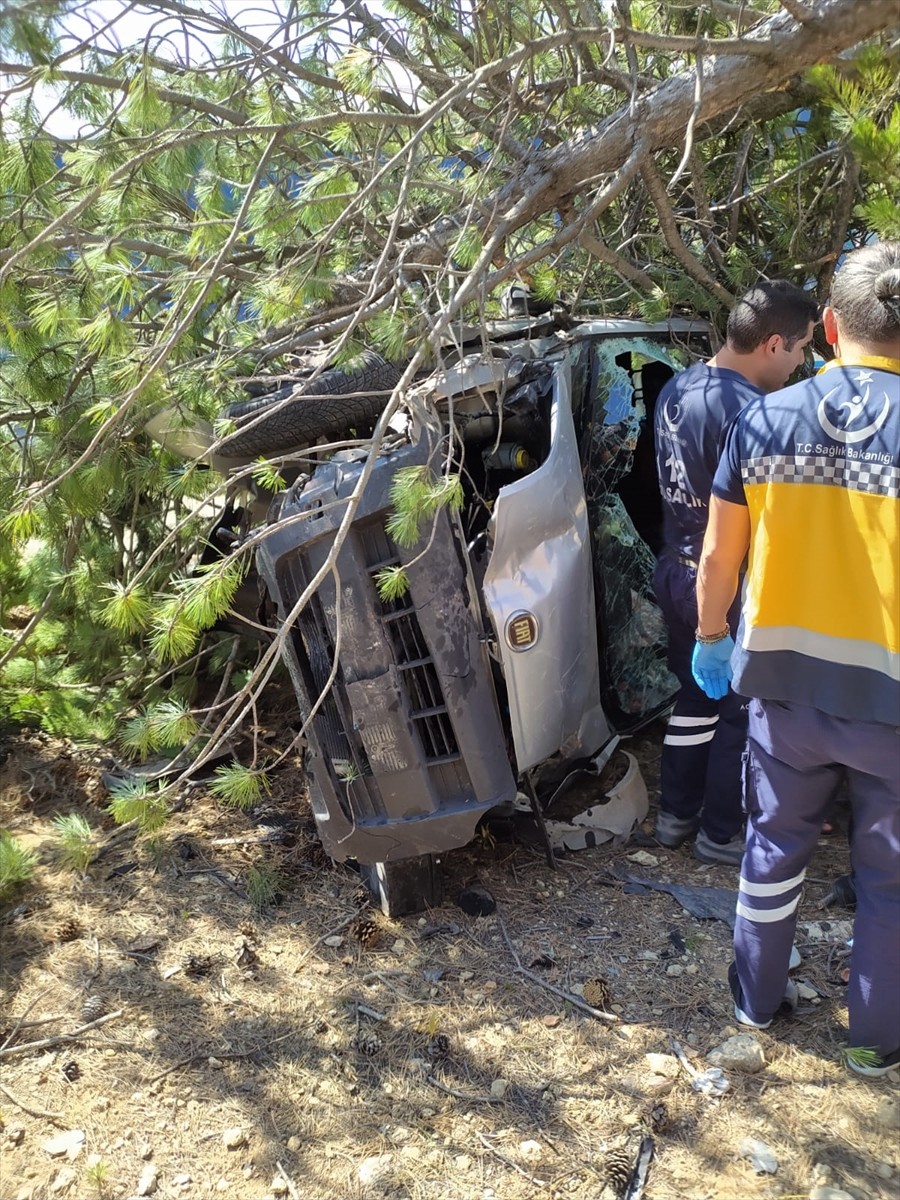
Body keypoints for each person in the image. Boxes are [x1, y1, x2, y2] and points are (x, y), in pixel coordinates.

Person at [692, 240, 900, 1076]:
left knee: (772, 852)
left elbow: (718, 556)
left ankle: (755, 1004)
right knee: (889, 882)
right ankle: (875, 1043)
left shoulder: (764, 419)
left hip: (783, 693)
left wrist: (711, 639)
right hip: (892, 704)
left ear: (830, 327)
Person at [652, 281, 818, 865]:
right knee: (741, 712)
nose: (800, 363)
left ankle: (674, 815)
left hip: (677, 569)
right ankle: (721, 833)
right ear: (773, 344)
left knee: (695, 699)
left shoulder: (677, 386)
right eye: (801, 348)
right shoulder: (751, 412)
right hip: (730, 582)